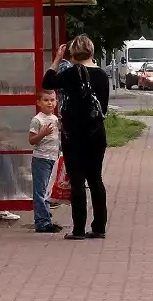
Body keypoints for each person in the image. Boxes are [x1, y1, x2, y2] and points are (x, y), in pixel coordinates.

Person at [42, 35, 110, 240]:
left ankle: (78, 229)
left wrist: (57, 59)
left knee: (78, 181)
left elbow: (47, 82)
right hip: (96, 133)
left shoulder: (71, 73)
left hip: (74, 135)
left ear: (72, 52)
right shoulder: (102, 76)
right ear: (91, 51)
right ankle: (99, 227)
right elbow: (103, 107)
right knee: (96, 179)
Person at [29, 89, 63, 233]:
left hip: (53, 159)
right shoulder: (37, 120)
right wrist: (42, 133)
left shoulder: (55, 119)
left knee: (48, 190)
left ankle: (46, 217)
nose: (50, 103)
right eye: (46, 100)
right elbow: (31, 140)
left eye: (52, 100)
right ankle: (41, 222)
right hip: (41, 159)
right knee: (40, 191)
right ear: (39, 103)